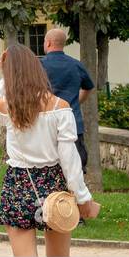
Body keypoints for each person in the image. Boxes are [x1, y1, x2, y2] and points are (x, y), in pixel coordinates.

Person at [0, 43, 101, 257]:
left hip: (18, 182)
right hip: (54, 181)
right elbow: (69, 159)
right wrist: (82, 196)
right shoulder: (59, 107)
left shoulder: (5, 107)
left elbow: (0, 101)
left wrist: (7, 72)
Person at [39, 28, 95, 171]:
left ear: (49, 43)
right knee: (75, 167)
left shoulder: (40, 65)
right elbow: (88, 87)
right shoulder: (76, 65)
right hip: (73, 122)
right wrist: (76, 102)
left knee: (49, 167)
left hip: (47, 124)